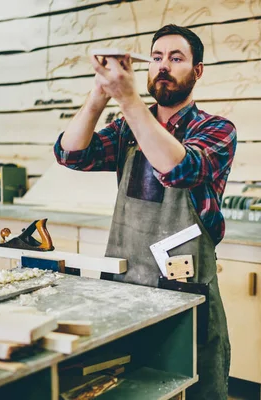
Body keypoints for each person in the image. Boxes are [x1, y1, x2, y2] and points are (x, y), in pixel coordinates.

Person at [53, 24, 236, 399]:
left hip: (185, 295)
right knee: (127, 389)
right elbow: (70, 154)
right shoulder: (124, 129)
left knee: (194, 388)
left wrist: (129, 100)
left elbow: (180, 168)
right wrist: (100, 94)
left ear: (197, 71)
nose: (163, 66)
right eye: (156, 58)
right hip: (125, 289)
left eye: (176, 58)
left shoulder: (216, 129)